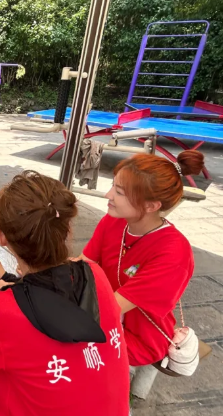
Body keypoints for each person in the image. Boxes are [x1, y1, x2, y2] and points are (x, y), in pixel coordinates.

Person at [0, 171, 130, 416]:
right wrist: (10, 279)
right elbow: (52, 297)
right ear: (67, 229)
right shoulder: (96, 274)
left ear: (2, 237)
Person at [78, 151, 204, 367]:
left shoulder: (173, 254)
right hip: (101, 314)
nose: (108, 195)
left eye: (119, 192)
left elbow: (110, 309)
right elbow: (83, 264)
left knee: (54, 346)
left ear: (151, 206)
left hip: (138, 338)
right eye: (113, 186)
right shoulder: (115, 220)